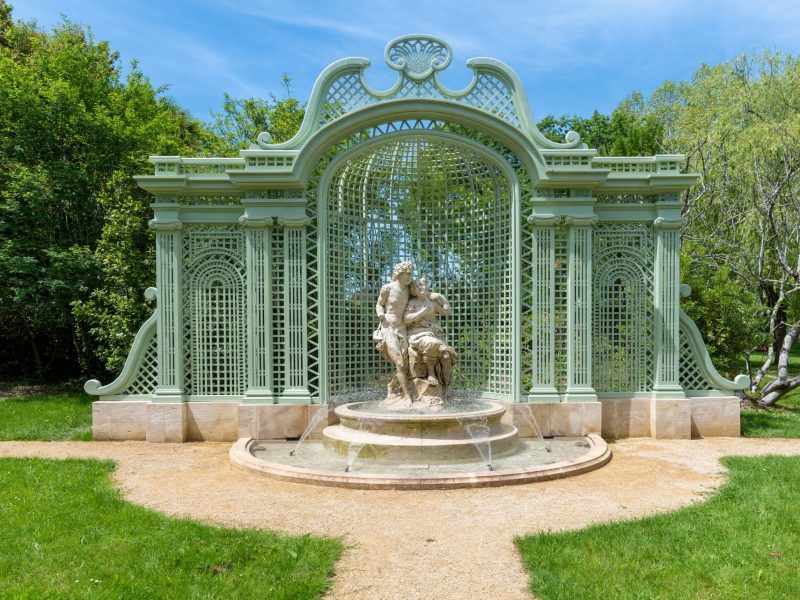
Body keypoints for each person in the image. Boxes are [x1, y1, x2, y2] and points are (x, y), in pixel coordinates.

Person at [403, 278, 456, 394]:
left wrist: (441, 297)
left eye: (422, 284)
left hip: (435, 333)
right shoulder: (413, 303)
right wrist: (421, 312)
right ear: (413, 291)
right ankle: (431, 373)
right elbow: (406, 319)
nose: (421, 287)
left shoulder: (432, 302)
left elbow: (448, 312)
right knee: (432, 343)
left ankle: (446, 386)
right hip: (418, 334)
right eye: (417, 286)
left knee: (446, 357)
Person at [373, 262, 415, 404]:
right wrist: (381, 314)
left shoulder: (408, 289)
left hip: (402, 327)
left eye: (411, 274)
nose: (410, 277)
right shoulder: (387, 288)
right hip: (388, 327)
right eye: (407, 274)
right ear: (399, 274)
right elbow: (379, 304)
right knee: (399, 362)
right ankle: (407, 395)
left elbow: (423, 293)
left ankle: (391, 386)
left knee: (406, 364)